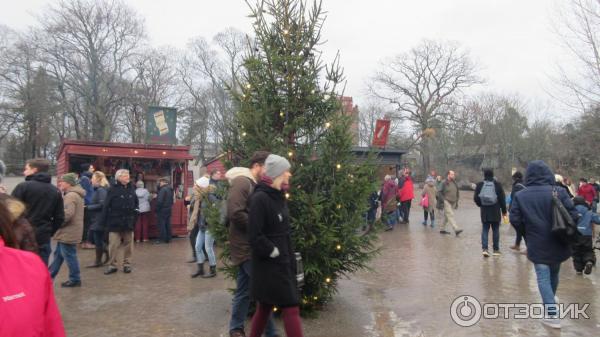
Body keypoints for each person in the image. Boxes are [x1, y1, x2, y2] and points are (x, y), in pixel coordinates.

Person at [510, 160, 578, 329]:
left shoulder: (521, 195)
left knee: (542, 277)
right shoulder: (559, 191)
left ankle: (552, 315)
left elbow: (515, 219)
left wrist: (527, 233)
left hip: (536, 242)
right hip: (559, 241)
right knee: (553, 275)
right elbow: (574, 214)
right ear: (548, 174)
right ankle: (550, 306)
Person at [248, 154, 303, 337]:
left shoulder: (279, 197)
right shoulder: (260, 199)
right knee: (291, 307)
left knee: (264, 307)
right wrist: (273, 250)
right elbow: (255, 235)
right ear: (277, 173)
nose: (289, 174)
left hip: (282, 263)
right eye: (286, 171)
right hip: (269, 265)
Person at [226, 151, 279, 337]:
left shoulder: (254, 184)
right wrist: (258, 225)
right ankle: (271, 333)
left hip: (250, 246)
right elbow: (235, 212)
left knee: (243, 290)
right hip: (246, 247)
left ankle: (235, 328)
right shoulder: (243, 182)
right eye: (266, 168)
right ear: (257, 166)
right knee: (263, 290)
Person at [0, 201, 66, 337]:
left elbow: (51, 326)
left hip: (25, 261)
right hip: (42, 239)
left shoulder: (29, 264)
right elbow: (60, 216)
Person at [11, 158, 65, 265]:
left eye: (26, 169)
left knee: (21, 271)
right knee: (40, 270)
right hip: (43, 237)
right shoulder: (55, 191)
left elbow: (10, 212)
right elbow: (60, 217)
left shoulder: (23, 187)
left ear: (34, 170)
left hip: (22, 237)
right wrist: (49, 231)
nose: (24, 172)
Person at [49, 173, 85, 287]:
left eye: (62, 181)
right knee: (59, 256)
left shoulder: (71, 196)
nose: (60, 183)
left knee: (70, 256)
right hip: (69, 231)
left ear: (69, 183)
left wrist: (55, 224)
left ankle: (75, 279)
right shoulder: (74, 194)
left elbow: (67, 214)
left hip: (68, 232)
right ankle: (49, 275)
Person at [102, 169, 138, 275]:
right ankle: (112, 265)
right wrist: (103, 222)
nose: (128, 177)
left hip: (128, 221)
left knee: (129, 244)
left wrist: (135, 216)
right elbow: (106, 206)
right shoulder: (112, 189)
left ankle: (127, 264)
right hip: (114, 221)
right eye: (125, 175)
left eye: (128, 175)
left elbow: (136, 203)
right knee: (113, 244)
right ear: (118, 177)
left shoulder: (132, 188)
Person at [474, 169, 507, 257]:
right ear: (493, 175)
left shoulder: (480, 185)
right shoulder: (498, 185)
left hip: (484, 212)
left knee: (485, 229)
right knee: (495, 230)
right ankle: (496, 250)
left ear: (484, 175)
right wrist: (504, 212)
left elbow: (476, 198)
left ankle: (485, 249)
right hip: (495, 211)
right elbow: (502, 200)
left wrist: (481, 204)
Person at [189, 176, 218, 278]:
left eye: (197, 186)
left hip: (209, 226)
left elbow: (218, 208)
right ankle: (200, 269)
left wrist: (210, 220)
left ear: (202, 187)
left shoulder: (210, 196)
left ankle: (213, 270)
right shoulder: (200, 197)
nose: (195, 187)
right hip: (202, 226)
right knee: (197, 247)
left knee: (208, 248)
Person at [86, 171, 110, 268]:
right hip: (98, 219)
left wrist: (88, 207)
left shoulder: (101, 190)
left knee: (97, 240)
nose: (91, 180)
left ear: (97, 179)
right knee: (97, 239)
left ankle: (99, 260)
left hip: (99, 219)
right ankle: (105, 256)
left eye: (92, 178)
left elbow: (103, 204)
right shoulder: (100, 190)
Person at [571, 196, 598, 275]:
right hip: (587, 235)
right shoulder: (589, 212)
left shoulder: (571, 212)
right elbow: (598, 220)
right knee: (587, 250)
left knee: (576, 252)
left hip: (575, 235)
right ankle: (589, 261)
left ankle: (579, 270)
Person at [438, 170, 463, 236]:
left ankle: (442, 229)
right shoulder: (443, 182)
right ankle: (456, 229)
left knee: (447, 216)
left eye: (453, 174)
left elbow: (457, 191)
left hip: (453, 201)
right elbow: (439, 192)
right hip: (446, 201)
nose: (453, 176)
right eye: (452, 174)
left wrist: (457, 201)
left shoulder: (454, 182)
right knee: (450, 214)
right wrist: (443, 200)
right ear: (448, 175)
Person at [509, 171, 526, 252]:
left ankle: (528, 249)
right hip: (523, 209)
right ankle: (517, 245)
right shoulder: (524, 184)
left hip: (518, 210)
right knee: (519, 229)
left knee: (522, 229)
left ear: (515, 178)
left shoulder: (517, 185)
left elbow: (513, 196)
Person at [79, 163, 95, 249]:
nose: (93, 169)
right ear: (87, 169)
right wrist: (86, 203)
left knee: (87, 224)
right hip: (87, 205)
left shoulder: (87, 178)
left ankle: (84, 242)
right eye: (91, 168)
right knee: (87, 224)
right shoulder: (85, 179)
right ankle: (84, 242)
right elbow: (84, 192)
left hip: (88, 204)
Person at [155, 177, 174, 244]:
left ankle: (162, 238)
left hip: (162, 209)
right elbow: (172, 200)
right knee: (167, 224)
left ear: (163, 182)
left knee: (161, 224)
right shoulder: (170, 189)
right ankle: (168, 238)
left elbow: (160, 201)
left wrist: (156, 209)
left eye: (160, 182)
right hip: (168, 209)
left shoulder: (163, 190)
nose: (159, 183)